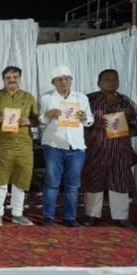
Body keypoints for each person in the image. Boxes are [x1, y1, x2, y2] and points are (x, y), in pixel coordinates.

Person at [81, 69, 137, 227]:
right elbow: (78, 121)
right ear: (99, 83)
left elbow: (136, 124)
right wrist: (94, 123)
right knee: (94, 181)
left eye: (115, 79)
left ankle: (121, 217)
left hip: (120, 150)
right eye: (107, 79)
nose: (111, 82)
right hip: (96, 148)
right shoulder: (89, 100)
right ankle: (91, 215)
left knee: (120, 181)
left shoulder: (126, 101)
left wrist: (129, 128)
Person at [38, 65, 93, 227]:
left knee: (73, 185)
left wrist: (84, 117)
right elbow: (41, 121)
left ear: (71, 80)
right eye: (59, 80)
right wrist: (47, 115)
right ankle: (47, 216)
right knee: (52, 182)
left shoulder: (81, 97)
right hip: (53, 145)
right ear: (53, 82)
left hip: (76, 146)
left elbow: (90, 120)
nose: (64, 82)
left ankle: (70, 217)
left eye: (67, 78)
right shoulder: (46, 98)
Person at [0, 66, 38, 226]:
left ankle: (17, 213)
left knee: (20, 181)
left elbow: (37, 120)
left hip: (23, 146)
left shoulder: (28, 98)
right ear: (4, 80)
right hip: (0, 146)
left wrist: (28, 121)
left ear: (20, 79)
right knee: (0, 181)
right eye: (8, 77)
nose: (12, 80)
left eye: (15, 77)